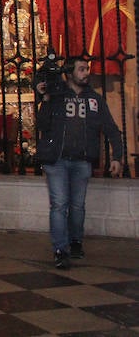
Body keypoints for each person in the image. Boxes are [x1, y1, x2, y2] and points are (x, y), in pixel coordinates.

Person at [35, 56, 124, 269]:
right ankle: (60, 249)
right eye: (81, 69)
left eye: (87, 69)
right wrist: (45, 99)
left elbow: (111, 129)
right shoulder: (56, 96)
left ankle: (75, 242)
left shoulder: (94, 99)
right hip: (56, 161)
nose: (86, 73)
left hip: (82, 161)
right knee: (59, 205)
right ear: (70, 73)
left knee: (77, 206)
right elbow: (42, 124)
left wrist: (117, 156)